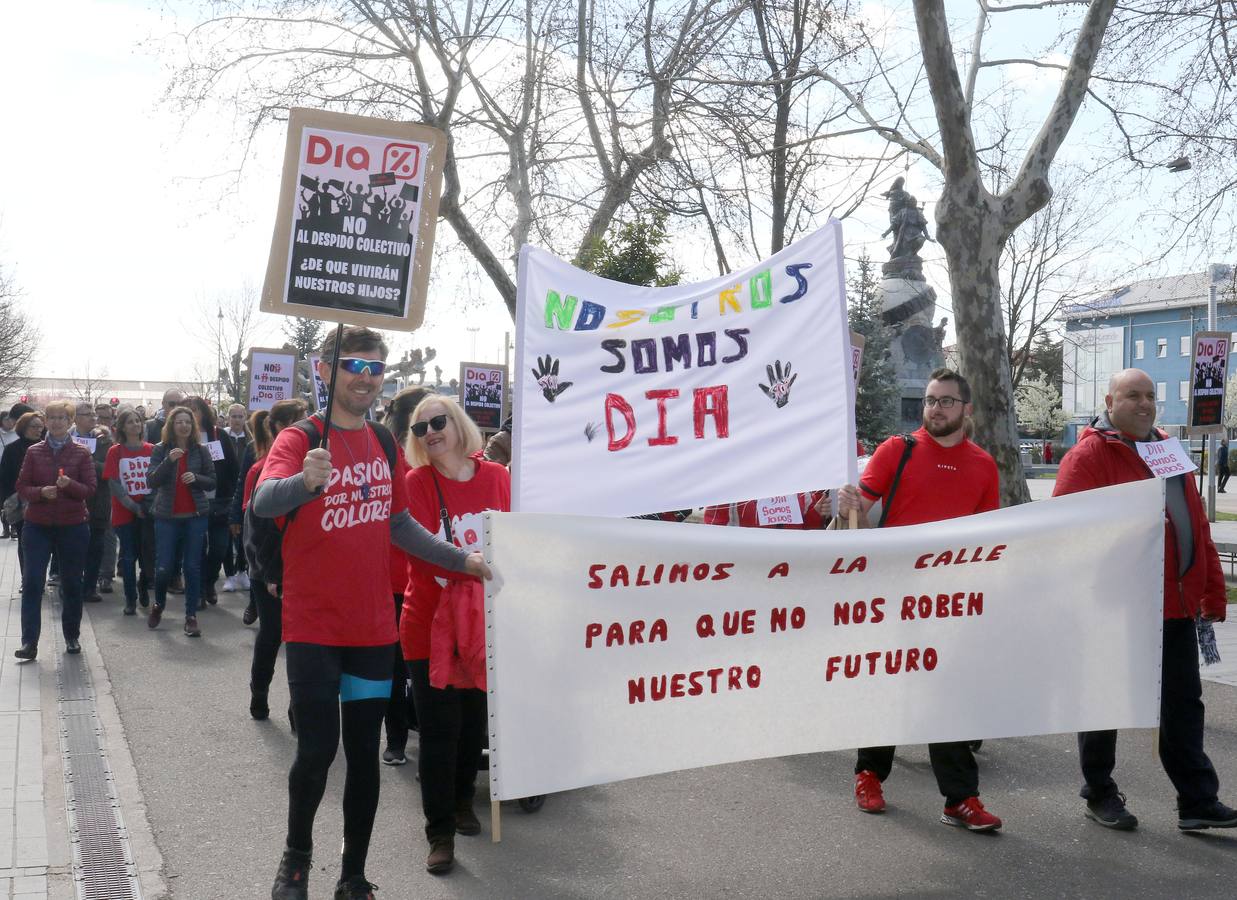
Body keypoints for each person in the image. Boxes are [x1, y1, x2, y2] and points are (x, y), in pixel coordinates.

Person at [253, 327, 490, 900]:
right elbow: (263, 502)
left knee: (363, 755)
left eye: (376, 368)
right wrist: (302, 483)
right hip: (313, 627)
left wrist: (464, 559)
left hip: (371, 630)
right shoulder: (300, 436)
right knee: (316, 751)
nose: (365, 376)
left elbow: (401, 525)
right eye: (354, 364)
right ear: (326, 369)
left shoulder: (385, 441)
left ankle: (353, 872)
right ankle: (296, 862)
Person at [1054, 368, 1236, 832]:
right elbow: (1065, 535)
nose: (1144, 403)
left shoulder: (1168, 450)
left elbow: (1196, 523)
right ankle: (1099, 791)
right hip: (1115, 608)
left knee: (1183, 705)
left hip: (1173, 605)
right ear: (1109, 401)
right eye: (1132, 395)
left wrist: (1211, 589)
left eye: (1150, 395)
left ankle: (1196, 801)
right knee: (1105, 701)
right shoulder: (1089, 456)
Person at [836, 368, 1002, 832]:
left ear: (966, 409)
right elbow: (858, 519)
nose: (936, 409)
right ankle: (869, 774)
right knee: (887, 686)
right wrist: (848, 503)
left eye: (946, 401)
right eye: (930, 400)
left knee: (946, 695)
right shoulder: (897, 450)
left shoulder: (984, 465)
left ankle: (961, 800)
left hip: (949, 599)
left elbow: (986, 537)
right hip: (892, 594)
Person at [402, 394, 510, 875]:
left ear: (458, 423)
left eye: (438, 422)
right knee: (439, 732)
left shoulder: (498, 478)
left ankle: (465, 799)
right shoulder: (417, 482)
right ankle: (439, 832)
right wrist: (474, 569)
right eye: (420, 428)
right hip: (429, 627)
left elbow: (514, 543)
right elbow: (423, 557)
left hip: (487, 624)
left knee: (473, 726)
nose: (431, 433)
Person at [13, 401, 96, 660]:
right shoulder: (34, 452)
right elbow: (22, 486)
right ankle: (29, 642)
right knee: (32, 583)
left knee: (71, 583)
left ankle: (71, 635)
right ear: (46, 421)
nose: (57, 422)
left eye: (62, 417)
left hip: (73, 526)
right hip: (38, 525)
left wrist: (69, 484)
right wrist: (40, 493)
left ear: (70, 421)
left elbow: (90, 489)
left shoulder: (81, 452)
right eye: (52, 417)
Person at [242, 398, 308, 720]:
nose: (309, 425)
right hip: (269, 570)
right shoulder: (264, 470)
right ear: (282, 428)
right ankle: (259, 692)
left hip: (304, 570)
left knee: (303, 641)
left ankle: (298, 709)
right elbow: (260, 531)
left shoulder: (316, 464)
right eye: (301, 420)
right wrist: (272, 573)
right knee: (272, 634)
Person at [379, 386, 432, 767]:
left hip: (435, 583)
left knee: (430, 670)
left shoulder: (444, 459)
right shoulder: (390, 460)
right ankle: (395, 739)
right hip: (394, 582)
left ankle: (426, 742)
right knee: (395, 670)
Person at [146, 406, 215, 637]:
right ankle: (159, 605)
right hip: (167, 517)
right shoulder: (160, 449)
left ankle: (191, 616)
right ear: (171, 426)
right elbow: (152, 481)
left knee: (192, 567)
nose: (184, 426)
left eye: (188, 422)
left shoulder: (201, 450)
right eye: (179, 422)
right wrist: (168, 461)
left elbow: (212, 482)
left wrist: (196, 478)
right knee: (164, 567)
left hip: (195, 517)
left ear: (193, 426)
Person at [184, 396, 240, 606]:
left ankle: (209, 582)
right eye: (187, 410)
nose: (191, 414)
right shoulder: (182, 438)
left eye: (195, 409)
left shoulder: (219, 435)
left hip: (220, 502)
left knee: (219, 548)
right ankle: (199, 590)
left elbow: (234, 469)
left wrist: (235, 498)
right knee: (196, 550)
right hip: (193, 503)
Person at [104, 408, 155, 614]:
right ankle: (130, 599)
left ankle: (143, 584)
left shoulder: (152, 449)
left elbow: (158, 480)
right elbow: (114, 484)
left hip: (149, 510)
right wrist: (133, 507)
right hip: (124, 512)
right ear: (122, 427)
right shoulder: (115, 451)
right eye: (130, 422)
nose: (135, 425)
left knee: (147, 555)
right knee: (128, 556)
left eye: (138, 421)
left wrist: (148, 506)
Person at [73, 403, 114, 604]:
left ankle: (90, 588)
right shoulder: (66, 438)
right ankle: (70, 587)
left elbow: (110, 471)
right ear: (75, 418)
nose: (93, 418)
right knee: (72, 550)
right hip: (72, 503)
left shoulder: (104, 440)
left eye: (93, 415)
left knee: (96, 547)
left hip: (98, 502)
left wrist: (89, 460)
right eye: (87, 415)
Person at [2, 407, 41, 547]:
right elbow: (4, 478)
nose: (38, 430)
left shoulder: (46, 447)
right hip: (20, 503)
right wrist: (7, 501)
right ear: (23, 427)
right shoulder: (12, 449)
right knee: (25, 543)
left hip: (43, 501)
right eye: (34, 426)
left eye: (40, 426)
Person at [224, 403, 252, 592]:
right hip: (226, 493)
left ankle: (243, 571)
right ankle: (230, 575)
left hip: (244, 493)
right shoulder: (222, 438)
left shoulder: (250, 440)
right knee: (227, 537)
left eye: (240, 416)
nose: (236, 420)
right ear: (228, 418)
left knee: (243, 536)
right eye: (233, 416)